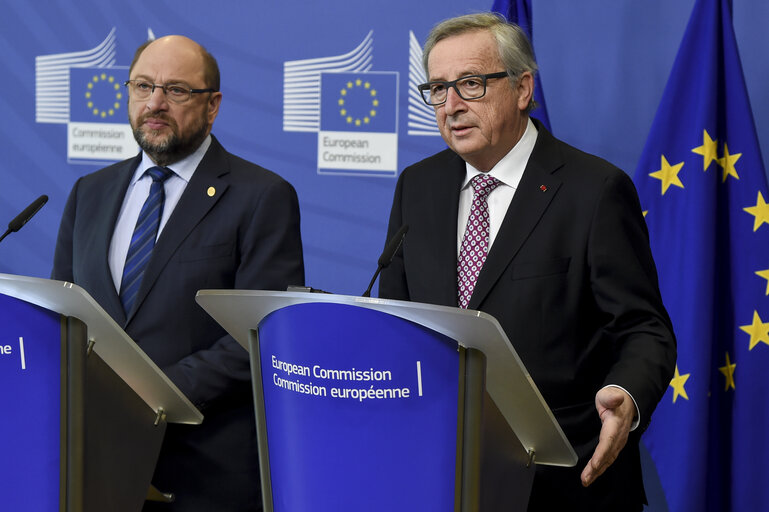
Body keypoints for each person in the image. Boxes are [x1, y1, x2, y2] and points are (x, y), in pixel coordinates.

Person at [379, 13, 676, 511]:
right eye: (437, 89)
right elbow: (398, 317)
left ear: (522, 88)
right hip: (440, 475)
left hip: (566, 481)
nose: (450, 106)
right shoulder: (418, 185)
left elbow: (645, 328)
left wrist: (626, 393)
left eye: (470, 84)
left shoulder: (594, 191)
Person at [52, 35, 304, 511]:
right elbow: (65, 315)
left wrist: (149, 395)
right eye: (143, 86)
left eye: (176, 91)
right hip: (91, 462)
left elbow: (258, 334)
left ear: (213, 106)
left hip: (201, 471)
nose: (156, 103)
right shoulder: (90, 192)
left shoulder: (262, 197)